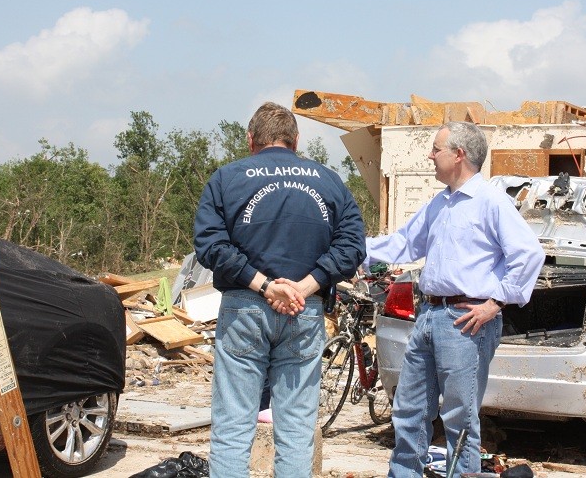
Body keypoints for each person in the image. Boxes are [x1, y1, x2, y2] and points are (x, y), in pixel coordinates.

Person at [194, 101, 366, 478]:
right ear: (296, 140)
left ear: (251, 139)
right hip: (305, 311)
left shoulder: (227, 178)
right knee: (296, 431)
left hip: (245, 308)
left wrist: (265, 286)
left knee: (233, 428)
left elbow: (209, 244)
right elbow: (353, 246)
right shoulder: (329, 180)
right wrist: (305, 286)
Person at [365, 121, 545, 477]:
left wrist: (495, 303)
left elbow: (529, 255)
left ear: (459, 154)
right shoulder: (441, 204)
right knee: (409, 408)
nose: (430, 155)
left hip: (466, 322)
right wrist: (348, 249)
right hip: (430, 316)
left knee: (460, 416)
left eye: (436, 149)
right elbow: (403, 244)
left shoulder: (490, 200)